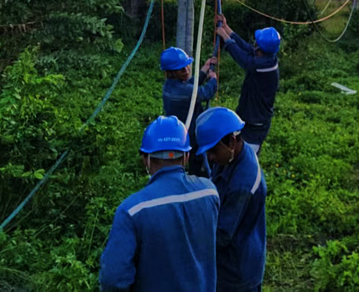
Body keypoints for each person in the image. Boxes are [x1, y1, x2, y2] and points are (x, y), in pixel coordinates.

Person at [99, 116, 220, 292]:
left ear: (145, 159)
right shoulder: (209, 192)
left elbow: (113, 279)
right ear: (186, 156)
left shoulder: (133, 210)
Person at [195, 107, 267, 292]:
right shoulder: (230, 157)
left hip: (237, 269)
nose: (209, 158)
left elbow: (222, 236)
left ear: (232, 142)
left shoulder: (242, 184)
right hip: (227, 261)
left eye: (212, 151)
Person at [214, 16, 281, 155]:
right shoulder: (267, 57)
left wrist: (225, 38)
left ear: (260, 46)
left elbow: (243, 59)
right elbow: (247, 48)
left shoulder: (261, 66)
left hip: (255, 124)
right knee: (238, 151)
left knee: (247, 158)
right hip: (250, 118)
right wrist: (227, 29)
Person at [161, 46, 218, 175]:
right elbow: (204, 93)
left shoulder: (169, 86)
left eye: (187, 66)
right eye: (182, 69)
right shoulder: (185, 91)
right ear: (171, 72)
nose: (187, 70)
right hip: (191, 135)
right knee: (199, 164)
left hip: (180, 133)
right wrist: (213, 80)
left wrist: (204, 69)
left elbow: (190, 86)